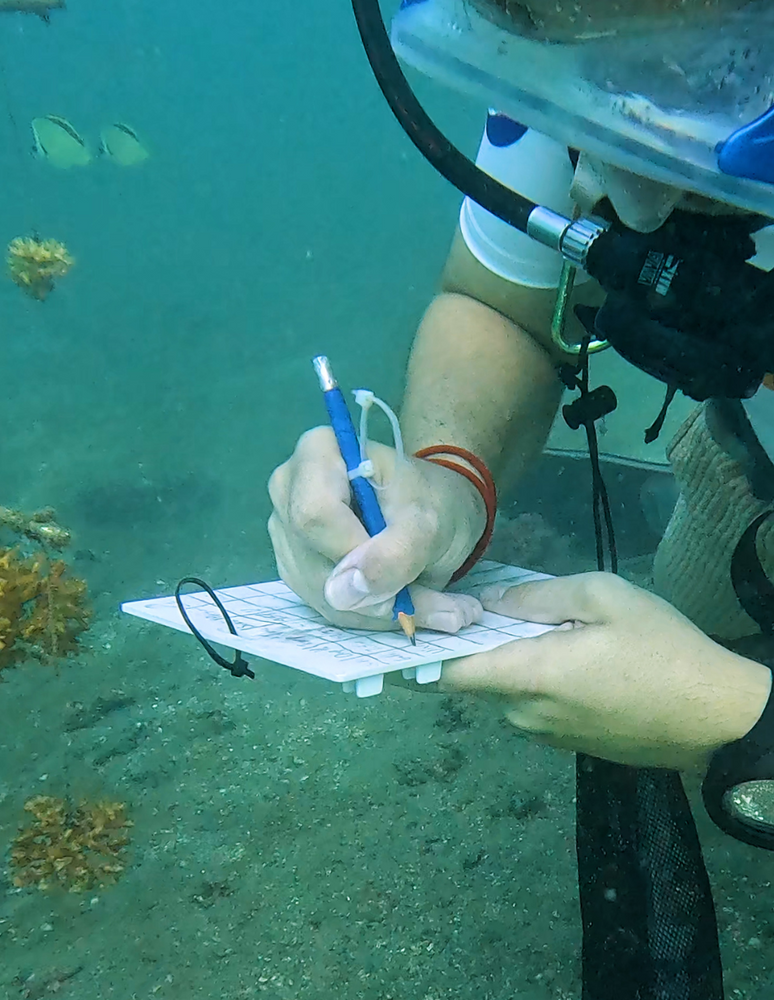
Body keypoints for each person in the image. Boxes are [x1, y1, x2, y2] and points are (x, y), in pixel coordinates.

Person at [268, 0, 774, 797]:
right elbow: (498, 306)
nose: (600, 181)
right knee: (703, 607)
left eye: (678, 92)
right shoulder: (579, 27)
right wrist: (444, 487)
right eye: (593, 89)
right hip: (754, 454)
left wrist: (740, 724)